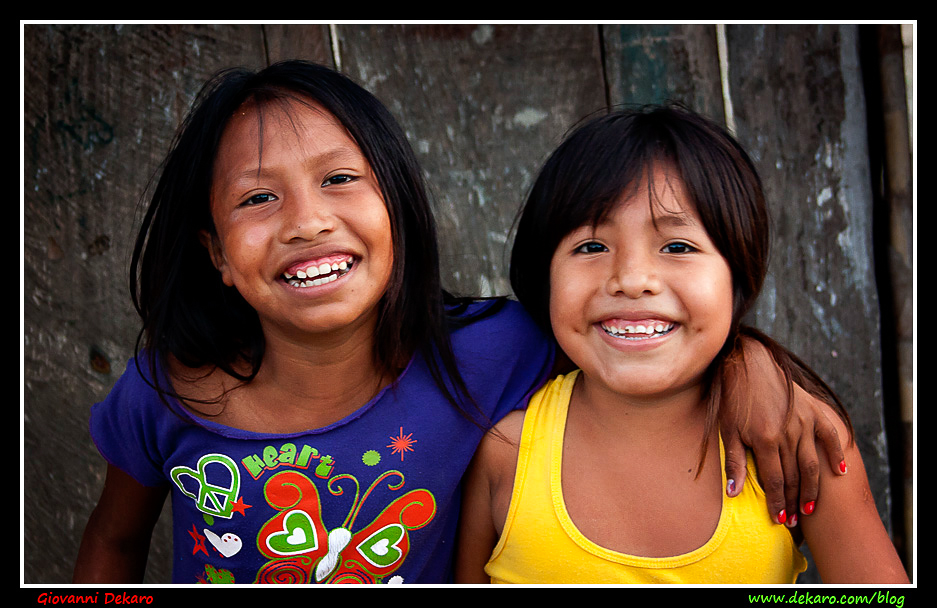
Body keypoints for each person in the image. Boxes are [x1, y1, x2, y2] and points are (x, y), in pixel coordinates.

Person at [73, 62, 844, 585]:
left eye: (340, 180)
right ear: (215, 252)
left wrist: (750, 362)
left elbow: (638, 332)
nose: (306, 222)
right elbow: (111, 542)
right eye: (256, 198)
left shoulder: (498, 350)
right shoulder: (169, 389)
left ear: (399, 210)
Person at [455, 104, 909, 584]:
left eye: (677, 247)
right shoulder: (507, 452)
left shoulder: (794, 438)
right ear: (545, 276)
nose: (631, 280)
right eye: (591, 246)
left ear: (738, 275)